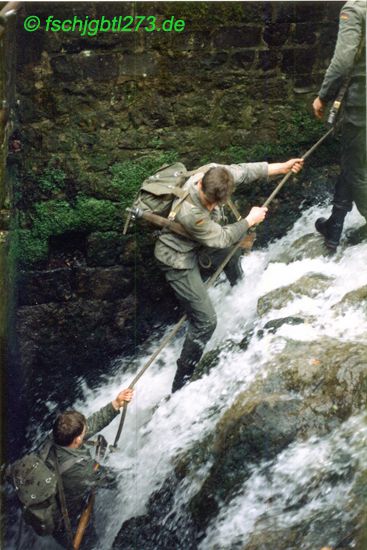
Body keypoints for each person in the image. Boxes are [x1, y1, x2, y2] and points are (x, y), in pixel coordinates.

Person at [155, 159, 304, 392]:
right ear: (201, 186)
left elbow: (245, 171)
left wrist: (282, 166)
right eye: (210, 203)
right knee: (206, 322)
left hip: (199, 242)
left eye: (216, 204)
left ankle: (243, 294)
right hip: (176, 257)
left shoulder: (215, 173)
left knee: (231, 255)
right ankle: (181, 383)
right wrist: (249, 221)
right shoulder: (190, 211)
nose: (213, 208)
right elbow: (223, 237)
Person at [49, 387, 134, 547]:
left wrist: (116, 403)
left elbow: (90, 424)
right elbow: (116, 480)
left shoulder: (57, 435)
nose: (87, 431)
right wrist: (143, 472)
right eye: (83, 432)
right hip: (66, 522)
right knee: (90, 544)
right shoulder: (82, 473)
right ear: (76, 441)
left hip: (54, 496)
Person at [313, 0, 366, 249]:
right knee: (353, 160)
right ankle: (334, 226)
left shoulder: (354, 9)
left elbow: (343, 61)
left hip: (362, 105)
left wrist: (323, 96)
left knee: (357, 171)